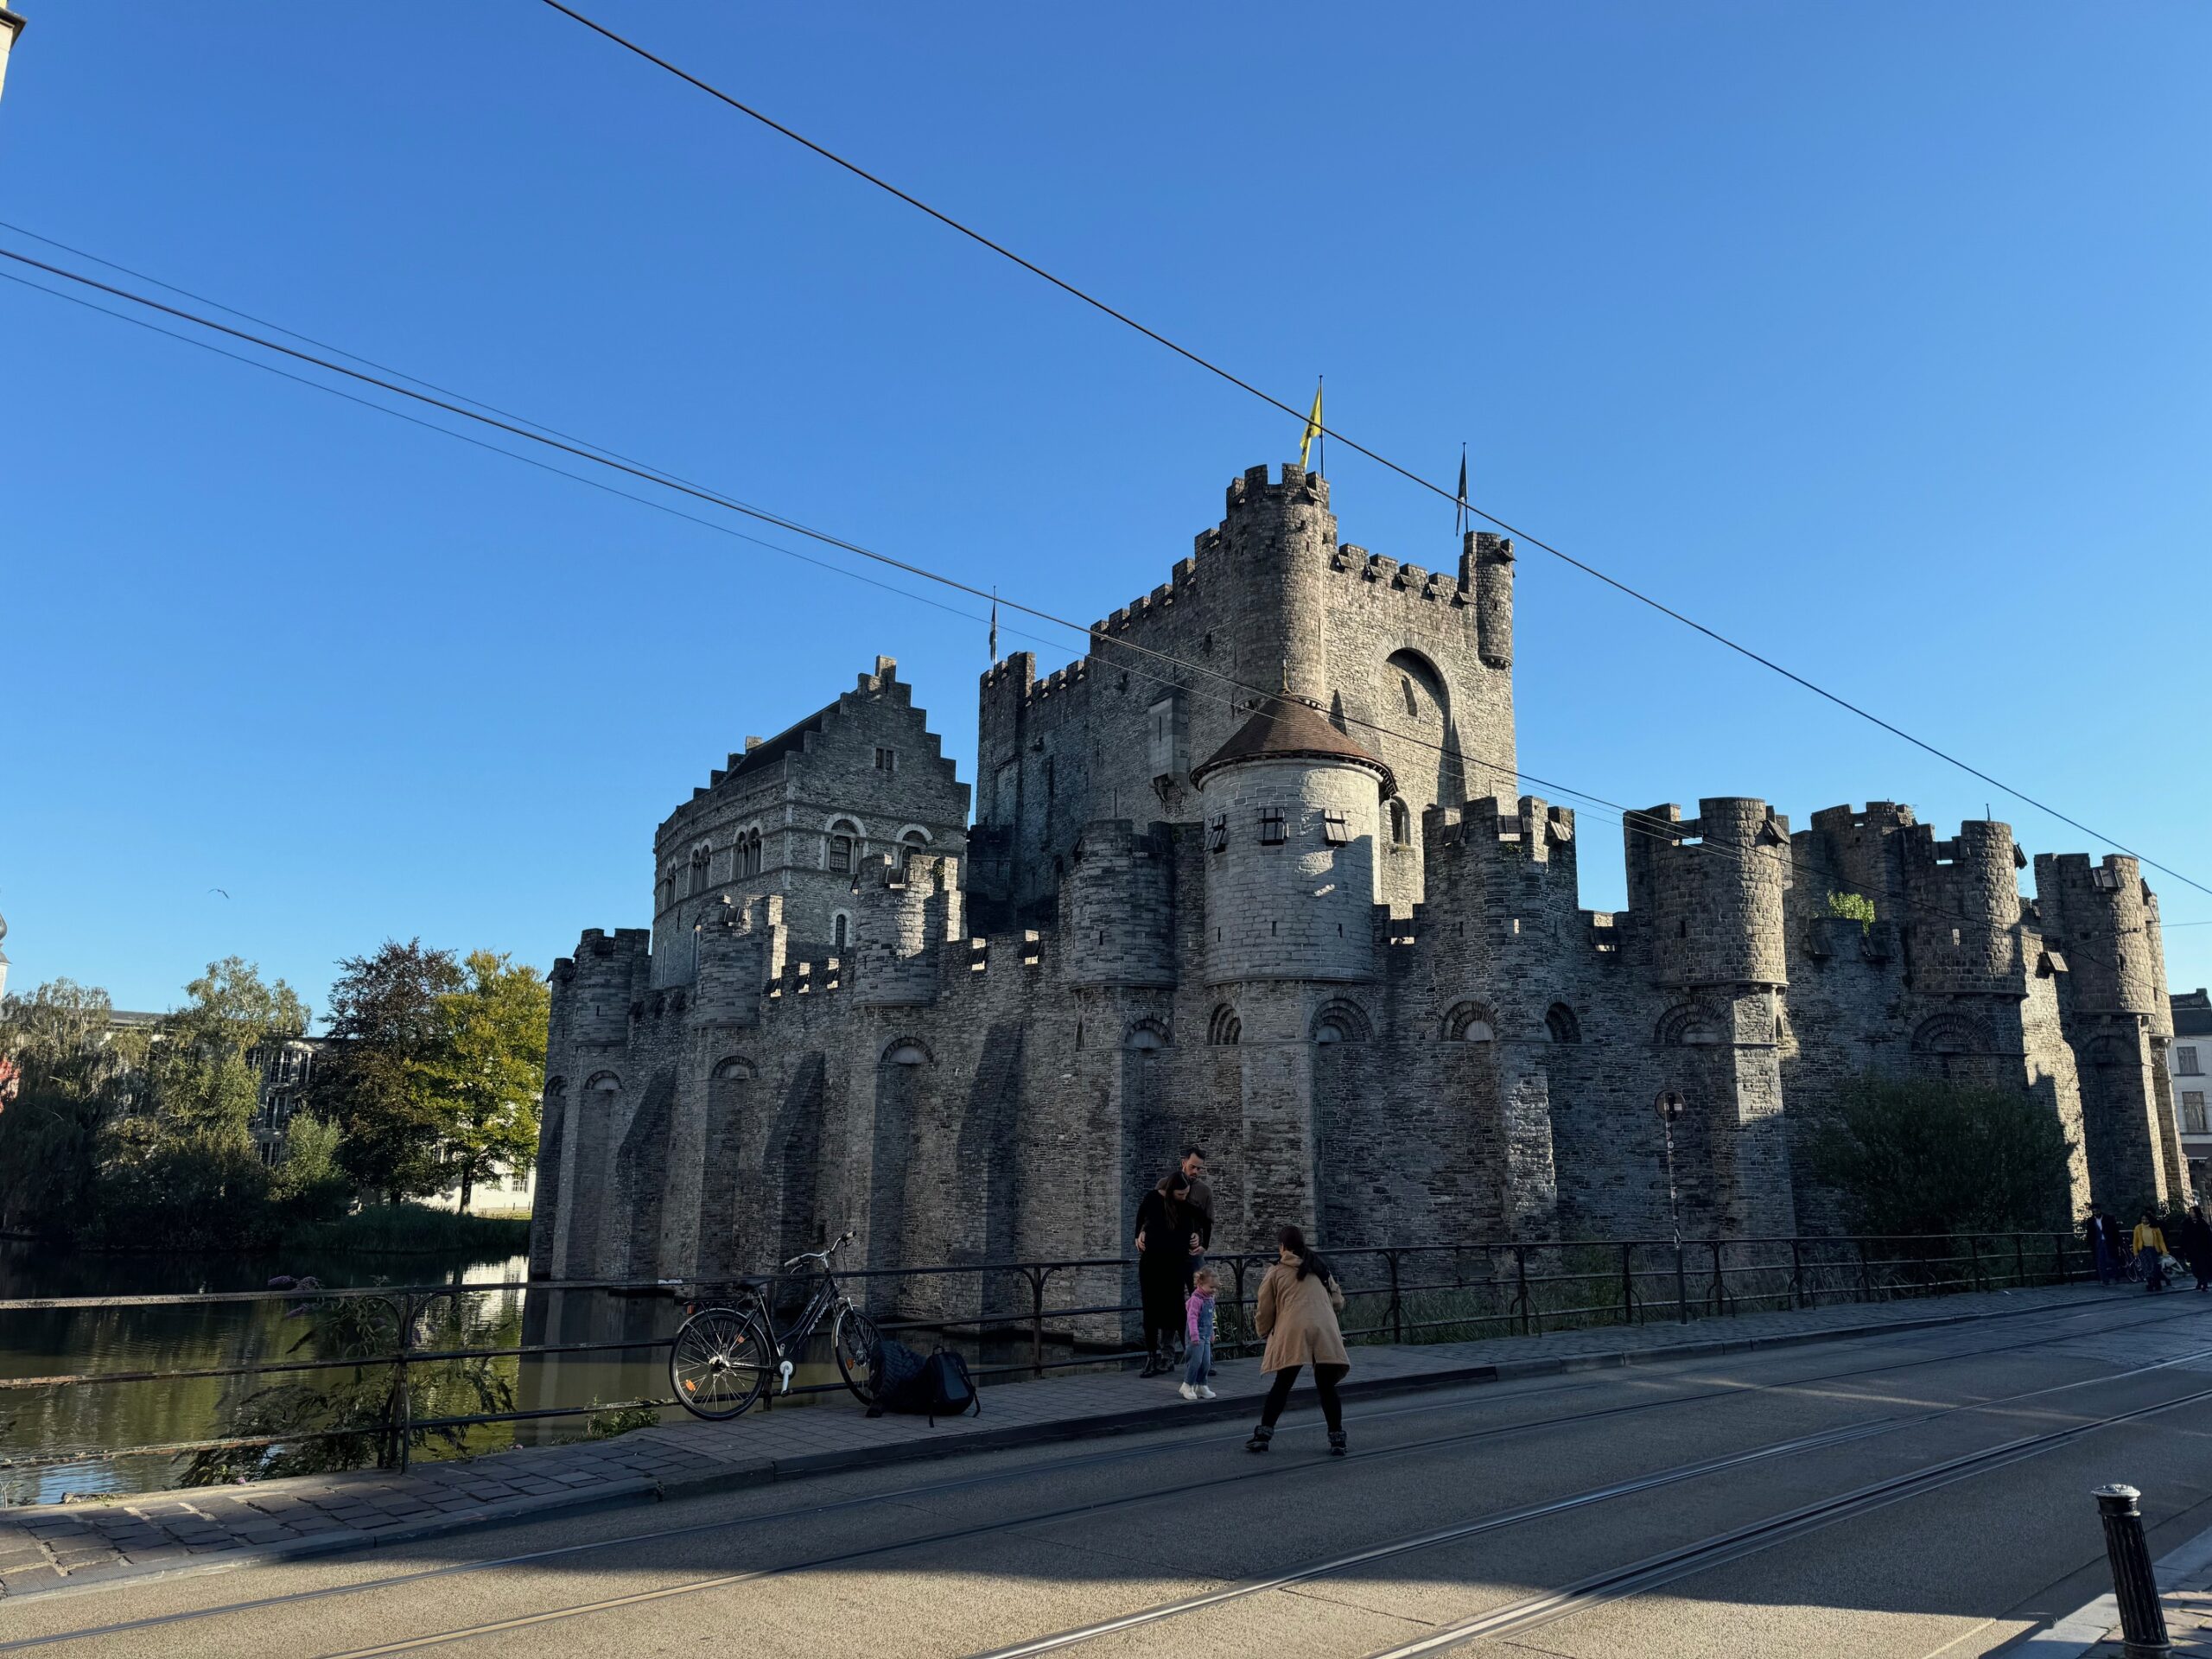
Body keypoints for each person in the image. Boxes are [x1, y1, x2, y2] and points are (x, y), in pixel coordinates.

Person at [1245, 1224, 1351, 1457]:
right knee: (1326, 1387)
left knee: (1283, 1384)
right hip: (1324, 1328)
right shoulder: (1318, 1266)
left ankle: (1263, 1435)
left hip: (1293, 1330)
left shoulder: (1276, 1272)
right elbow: (1338, 1301)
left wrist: (1264, 1332)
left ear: (1282, 1247)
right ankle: (1337, 1439)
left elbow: (1265, 1310)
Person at [1134, 1169, 1200, 1376]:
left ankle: (1192, 1359)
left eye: (1186, 1194)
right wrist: (1138, 1235)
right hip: (1152, 1264)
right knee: (1150, 1311)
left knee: (1178, 1312)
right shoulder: (1153, 1199)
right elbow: (1140, 1217)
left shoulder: (1185, 1208)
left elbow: (1199, 1224)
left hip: (1174, 1265)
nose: (1184, 1197)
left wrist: (1197, 1236)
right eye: (1181, 1194)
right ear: (1171, 1191)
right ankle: (1151, 1358)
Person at [1179, 1267, 1219, 1402]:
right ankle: (1187, 1384)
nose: (1214, 1290)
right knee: (1195, 1361)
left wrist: (1212, 1332)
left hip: (1206, 1335)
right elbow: (1192, 1318)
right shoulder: (1196, 1300)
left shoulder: (1210, 1299)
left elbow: (1210, 1318)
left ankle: (1201, 1385)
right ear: (1201, 1284)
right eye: (1211, 1287)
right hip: (1196, 1335)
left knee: (1206, 1362)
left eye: (1215, 1288)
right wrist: (1194, 1335)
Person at [2133, 1211, 2170, 1293]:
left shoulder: (2155, 1228)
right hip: (2143, 1249)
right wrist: (2135, 1252)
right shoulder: (2138, 1228)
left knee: (2155, 1267)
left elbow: (2161, 1241)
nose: (2144, 1221)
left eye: (2146, 1219)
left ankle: (2156, 1283)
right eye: (2143, 1219)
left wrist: (2165, 1251)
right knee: (2146, 1267)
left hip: (2153, 1249)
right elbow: (2135, 1241)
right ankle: (2150, 1283)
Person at [2183, 1205, 2212, 1294]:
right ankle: (2199, 1279)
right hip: (2192, 1250)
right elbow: (2184, 1236)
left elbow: (2208, 1236)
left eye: (2193, 1212)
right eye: (2190, 1212)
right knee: (2195, 1267)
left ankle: (2204, 1283)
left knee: (2203, 1266)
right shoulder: (2187, 1223)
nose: (2191, 1213)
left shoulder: (2202, 1223)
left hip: (2202, 1249)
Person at [2088, 1208, 2117, 1285]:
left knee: (2111, 1260)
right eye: (2094, 1212)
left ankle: (2115, 1276)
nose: (2095, 1213)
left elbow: (2115, 1231)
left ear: (2100, 1211)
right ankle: (2104, 1279)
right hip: (2098, 1243)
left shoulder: (2109, 1218)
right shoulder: (2091, 1221)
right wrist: (2091, 1244)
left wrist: (2116, 1242)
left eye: (2097, 1211)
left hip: (2108, 1242)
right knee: (2100, 1261)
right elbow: (2090, 1233)